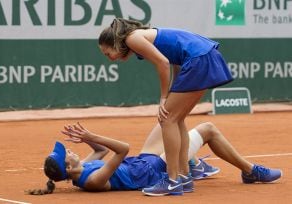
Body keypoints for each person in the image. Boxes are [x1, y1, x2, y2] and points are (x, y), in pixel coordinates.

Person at [98, 18, 234, 196]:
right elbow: (175, 62)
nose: (109, 59)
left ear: (114, 43)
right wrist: (173, 90)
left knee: (167, 119)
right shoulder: (139, 38)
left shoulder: (132, 39)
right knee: (177, 120)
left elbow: (162, 62)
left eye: (108, 54)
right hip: (202, 56)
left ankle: (172, 181)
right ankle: (184, 177)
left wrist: (164, 97)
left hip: (199, 58)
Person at [27, 122, 282, 196]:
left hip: (147, 158)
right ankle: (250, 171)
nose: (68, 152)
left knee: (167, 116)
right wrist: (94, 134)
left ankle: (190, 162)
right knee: (208, 130)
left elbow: (102, 152)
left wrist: (85, 139)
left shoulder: (81, 167)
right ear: (68, 167)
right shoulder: (92, 180)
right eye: (66, 155)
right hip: (157, 167)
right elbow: (122, 150)